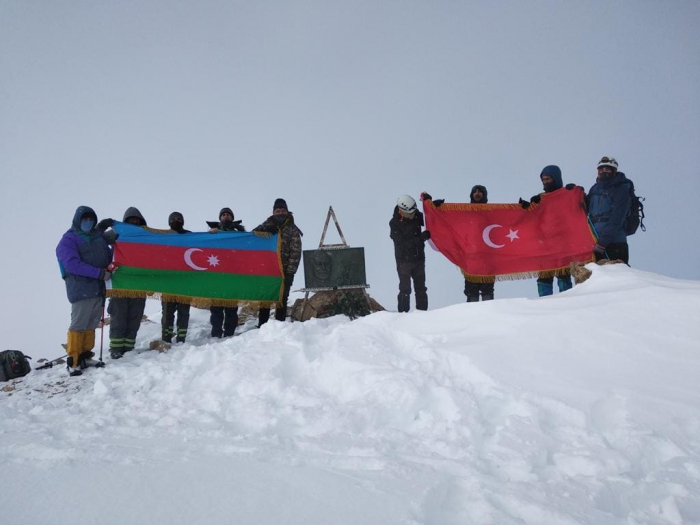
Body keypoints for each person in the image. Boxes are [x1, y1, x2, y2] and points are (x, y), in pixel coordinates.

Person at [56, 206, 116, 376]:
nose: (88, 223)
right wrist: (99, 273)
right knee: (79, 324)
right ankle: (74, 360)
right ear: (77, 220)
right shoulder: (69, 239)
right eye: (85, 219)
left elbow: (107, 255)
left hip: (98, 287)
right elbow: (71, 264)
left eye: (91, 220)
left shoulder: (97, 237)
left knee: (91, 323)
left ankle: (85, 355)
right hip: (81, 287)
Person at [519, 165, 574, 297]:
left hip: (562, 242)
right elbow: (532, 218)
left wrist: (577, 193)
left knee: (563, 274)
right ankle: (545, 303)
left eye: (548, 179)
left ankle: (567, 301)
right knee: (544, 276)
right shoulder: (540, 198)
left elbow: (578, 211)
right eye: (543, 179)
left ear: (556, 179)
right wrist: (527, 206)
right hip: (545, 243)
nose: (545, 182)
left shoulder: (567, 194)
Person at [253, 198, 303, 325]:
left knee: (282, 298)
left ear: (287, 212)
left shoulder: (292, 229)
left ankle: (280, 325)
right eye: (277, 210)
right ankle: (262, 326)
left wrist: (290, 273)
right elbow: (253, 236)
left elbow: (295, 252)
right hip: (267, 270)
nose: (280, 212)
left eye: (282, 210)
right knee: (265, 297)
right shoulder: (266, 224)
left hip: (284, 270)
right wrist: (266, 228)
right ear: (273, 212)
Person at [108, 207, 148, 358]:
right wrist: (104, 226)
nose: (133, 222)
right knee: (119, 316)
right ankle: (116, 349)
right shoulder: (117, 234)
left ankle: (128, 347)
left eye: (136, 220)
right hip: (121, 283)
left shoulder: (147, 236)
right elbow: (100, 239)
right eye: (130, 220)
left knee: (134, 316)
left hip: (139, 284)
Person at [208, 207, 246, 337]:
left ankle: (230, 334)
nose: (226, 216)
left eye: (228, 215)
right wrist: (209, 235)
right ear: (220, 218)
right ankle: (216, 334)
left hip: (233, 276)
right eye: (223, 215)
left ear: (232, 218)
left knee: (231, 308)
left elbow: (248, 249)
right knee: (216, 309)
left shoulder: (239, 234)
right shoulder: (213, 233)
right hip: (216, 276)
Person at [587, 156, 632, 264]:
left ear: (614, 171)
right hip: (595, 241)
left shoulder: (621, 189)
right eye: (601, 169)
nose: (603, 172)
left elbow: (616, 219)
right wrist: (575, 192)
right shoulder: (594, 188)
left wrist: (602, 243)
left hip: (615, 243)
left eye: (607, 169)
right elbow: (584, 207)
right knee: (596, 279)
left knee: (616, 278)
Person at [390, 194, 430, 312]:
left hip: (419, 258)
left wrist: (431, 203)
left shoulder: (416, 215)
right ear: (402, 211)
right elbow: (402, 244)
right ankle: (403, 315)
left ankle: (423, 315)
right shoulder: (394, 224)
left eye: (414, 212)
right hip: (403, 261)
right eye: (410, 213)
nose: (413, 215)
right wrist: (420, 238)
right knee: (405, 289)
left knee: (421, 288)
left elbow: (431, 218)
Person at [161, 212, 191, 343]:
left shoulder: (191, 236)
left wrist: (213, 234)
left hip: (185, 281)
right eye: (173, 219)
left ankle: (181, 338)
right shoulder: (163, 237)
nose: (176, 220)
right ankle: (166, 338)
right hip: (168, 280)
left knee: (184, 312)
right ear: (169, 222)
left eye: (179, 219)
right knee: (167, 312)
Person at [464, 185, 496, 302]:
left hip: (488, 258)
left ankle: (488, 318)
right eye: (475, 192)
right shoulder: (463, 212)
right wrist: (435, 207)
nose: (477, 194)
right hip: (471, 258)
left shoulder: (493, 212)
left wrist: (523, 208)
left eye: (480, 192)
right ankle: (472, 318)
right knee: (471, 292)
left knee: (487, 292)